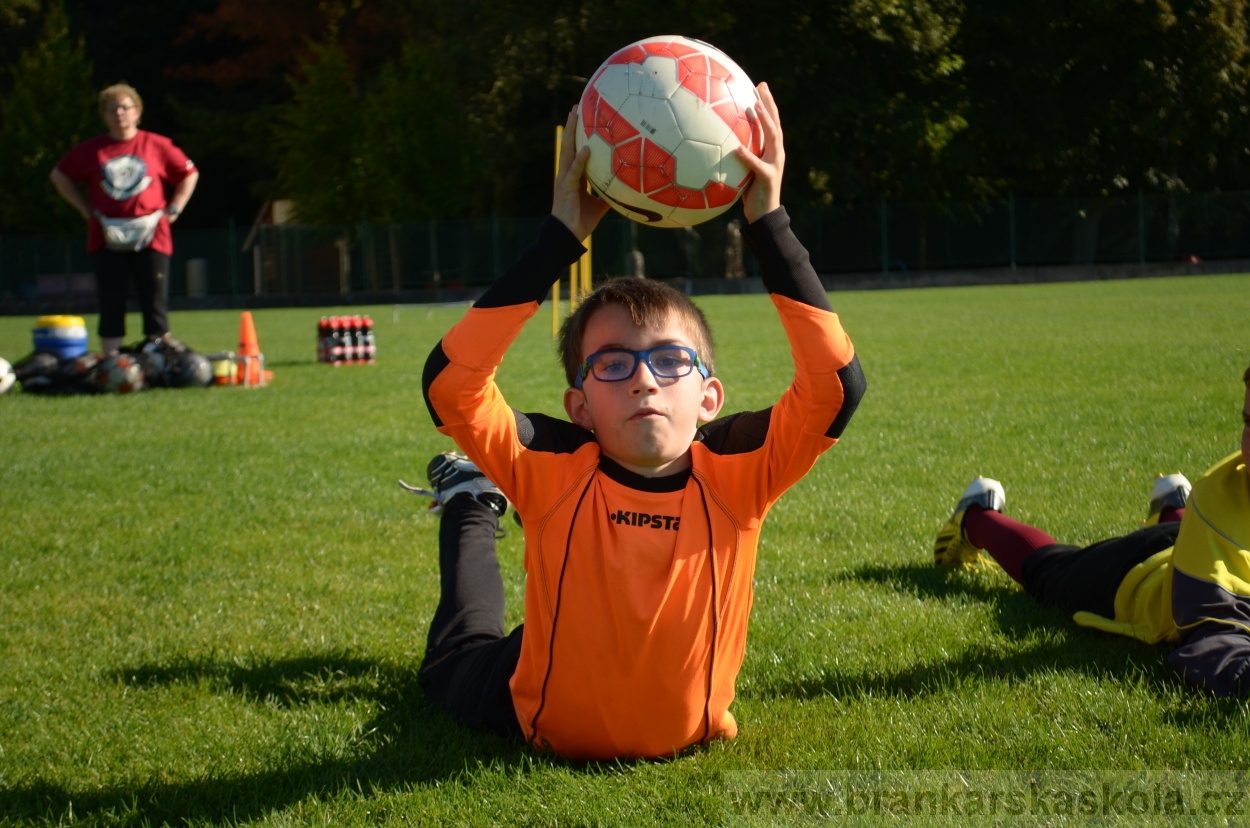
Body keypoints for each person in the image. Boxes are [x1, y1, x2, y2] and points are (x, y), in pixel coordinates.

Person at [415, 85, 866, 760]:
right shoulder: (555, 468)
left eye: (669, 360)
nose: (645, 378)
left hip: (632, 689)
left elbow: (834, 390)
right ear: (580, 407)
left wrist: (768, 222)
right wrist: (559, 240)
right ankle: (471, 502)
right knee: (456, 657)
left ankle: (473, 490)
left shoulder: (740, 476)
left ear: (710, 398)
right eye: (613, 365)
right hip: (518, 696)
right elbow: (453, 388)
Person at [933, 364, 1250, 696]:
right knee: (1049, 572)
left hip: (1186, 541)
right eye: (1248, 422)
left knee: (1193, 528)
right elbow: (1217, 643)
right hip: (1135, 576)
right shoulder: (1220, 496)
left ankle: (1172, 504)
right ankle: (977, 514)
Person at [50, 82, 199, 356]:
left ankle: (158, 351)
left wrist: (175, 208)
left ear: (137, 111)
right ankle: (111, 358)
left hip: (152, 230)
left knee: (154, 295)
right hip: (106, 233)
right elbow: (59, 175)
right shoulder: (92, 150)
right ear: (103, 115)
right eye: (112, 109)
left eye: (125, 107)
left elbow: (189, 173)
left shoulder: (156, 144)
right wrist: (84, 209)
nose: (119, 113)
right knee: (111, 298)